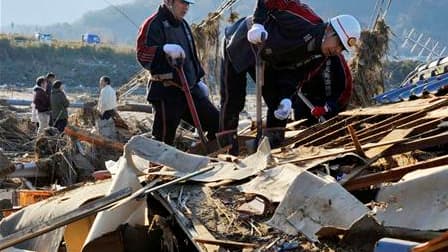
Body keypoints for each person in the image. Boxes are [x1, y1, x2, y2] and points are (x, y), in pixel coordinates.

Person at [219, 0, 361, 153]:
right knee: (233, 99)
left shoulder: (321, 56)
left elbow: (296, 75)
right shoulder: (306, 19)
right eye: (338, 44)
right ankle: (227, 150)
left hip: (269, 58)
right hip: (243, 39)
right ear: (329, 30)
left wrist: (287, 98)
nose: (338, 50)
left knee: (276, 103)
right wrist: (258, 23)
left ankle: (271, 149)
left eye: (342, 49)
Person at [136, 0, 219, 146]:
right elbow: (142, 54)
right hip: (166, 90)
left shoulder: (184, 25)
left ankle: (208, 156)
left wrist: (198, 79)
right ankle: (157, 167)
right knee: (163, 140)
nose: (186, 7)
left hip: (190, 89)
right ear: (169, 2)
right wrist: (163, 50)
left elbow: (192, 56)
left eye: (188, 4)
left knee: (217, 123)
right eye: (182, 2)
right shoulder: (152, 23)